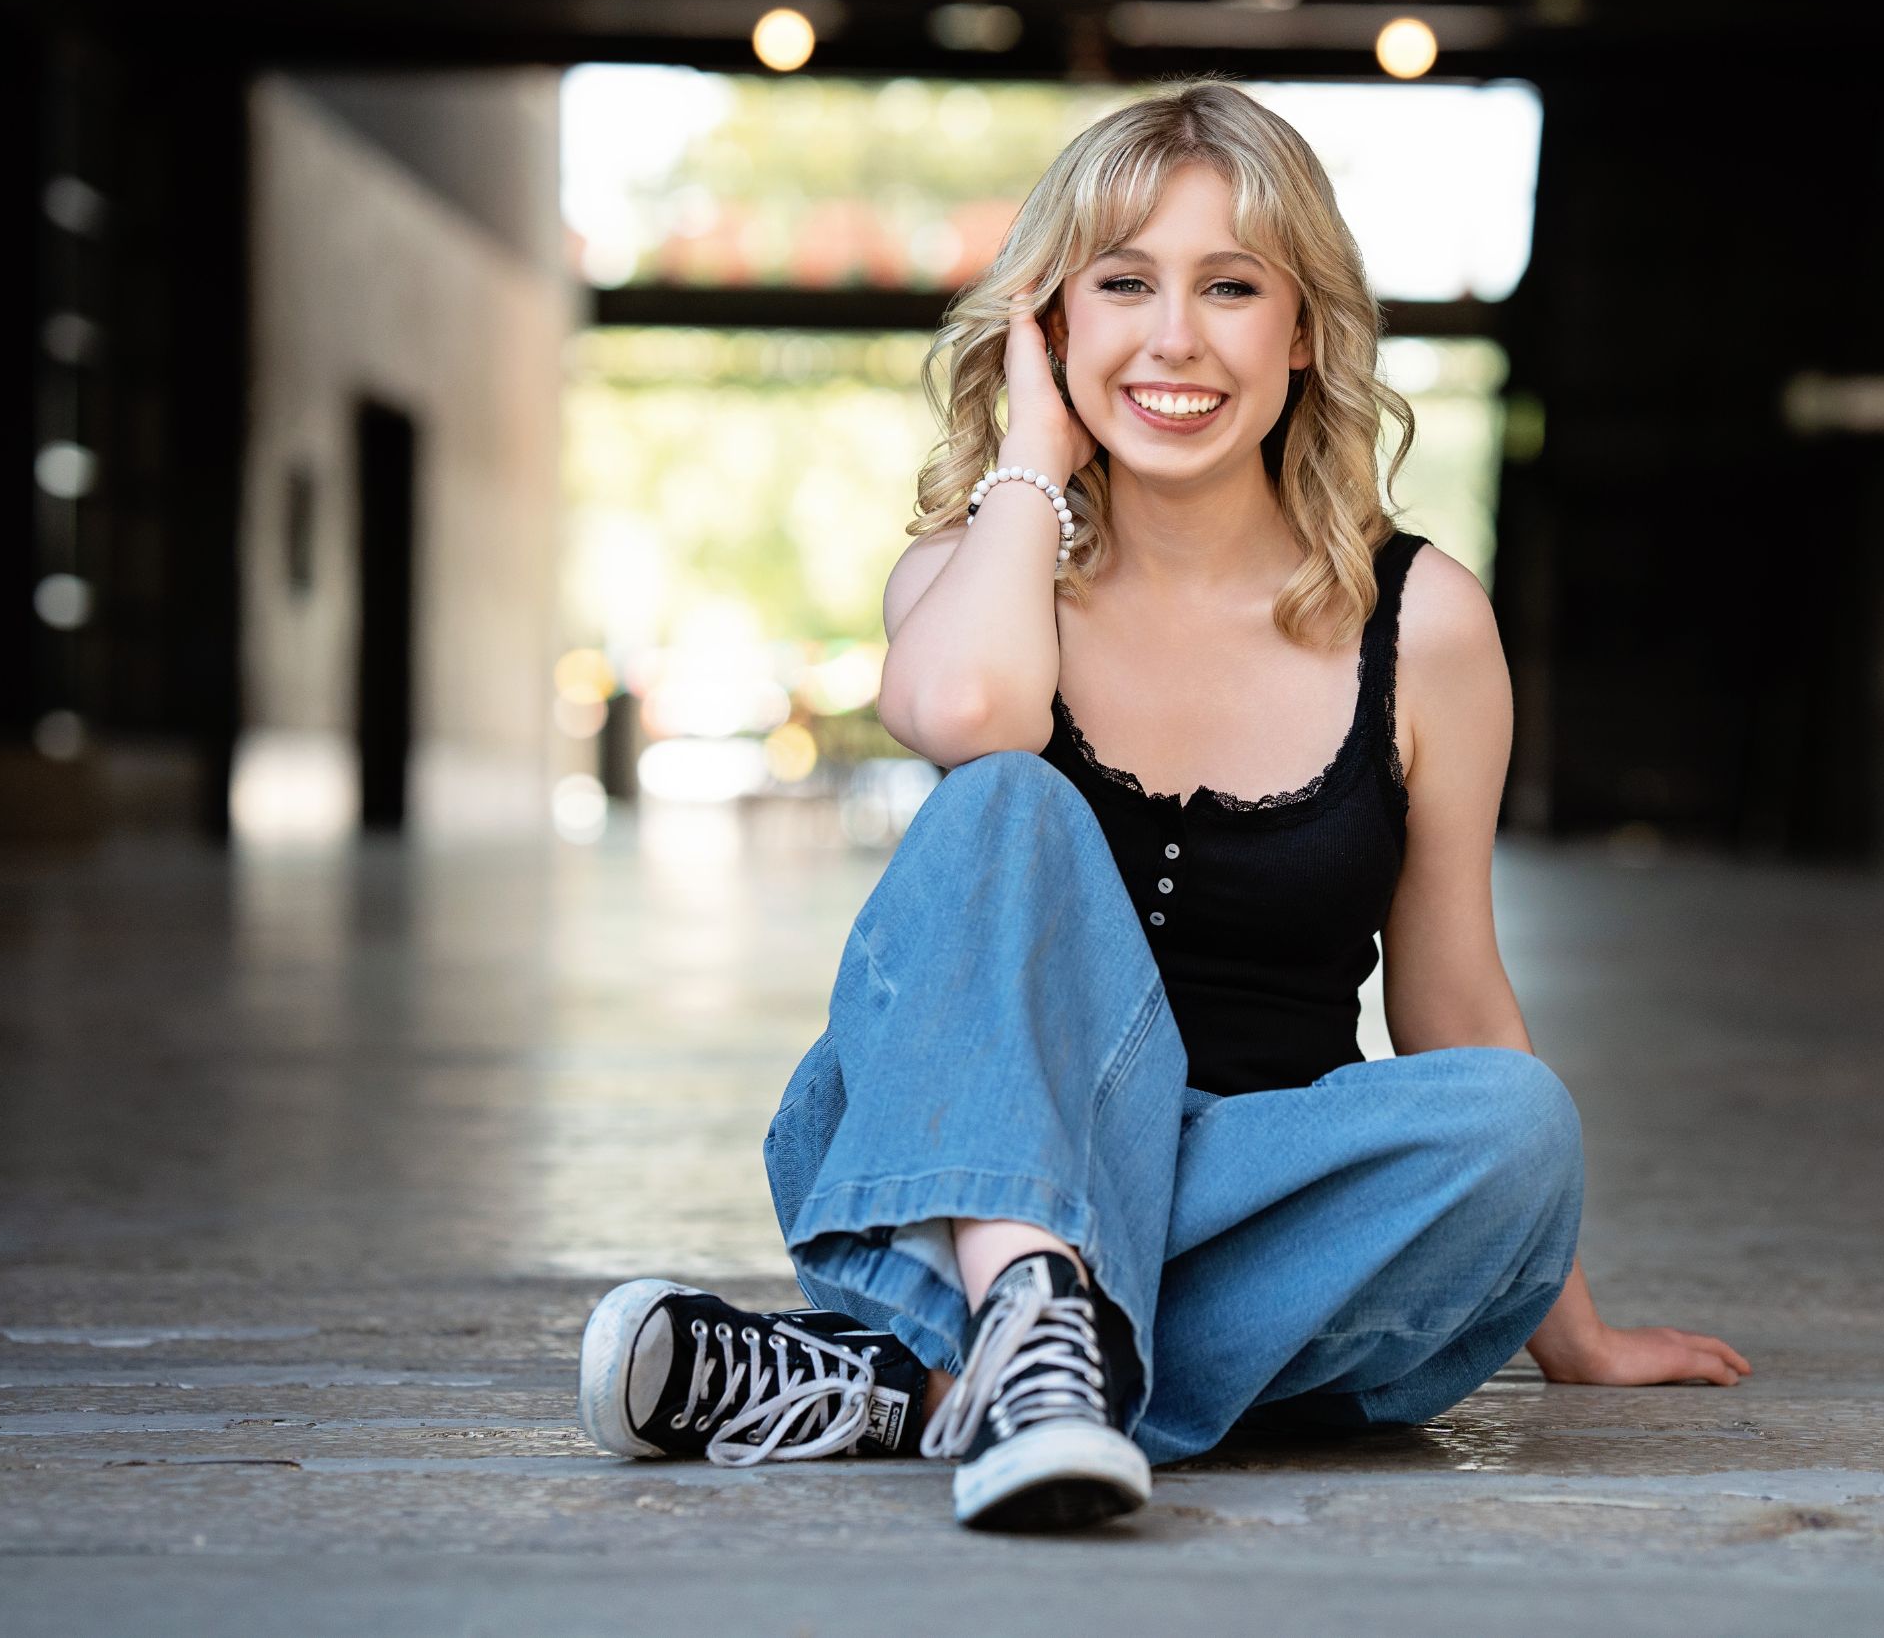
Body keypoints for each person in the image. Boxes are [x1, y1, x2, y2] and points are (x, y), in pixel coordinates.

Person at [577, 79, 1749, 1534]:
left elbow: (1453, 986)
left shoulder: (1423, 620)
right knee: (1008, 800)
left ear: (1304, 329)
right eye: (1123, 283)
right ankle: (1026, 1312)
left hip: (1273, 1212)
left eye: (1231, 286)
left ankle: (940, 1386)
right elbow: (965, 719)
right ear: (1049, 323)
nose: (1175, 336)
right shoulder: (977, 575)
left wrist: (1568, 1330)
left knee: (1519, 1123)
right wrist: (1029, 462)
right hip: (962, 1170)